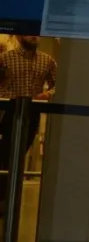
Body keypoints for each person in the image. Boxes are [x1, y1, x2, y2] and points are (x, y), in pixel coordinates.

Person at [0, 35, 57, 210]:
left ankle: (7, 200)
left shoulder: (47, 61)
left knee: (17, 156)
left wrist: (47, 94)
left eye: (36, 33)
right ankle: (3, 200)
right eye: (28, 32)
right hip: (6, 113)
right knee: (4, 156)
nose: (33, 36)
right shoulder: (5, 59)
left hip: (32, 116)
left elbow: (58, 84)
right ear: (18, 36)